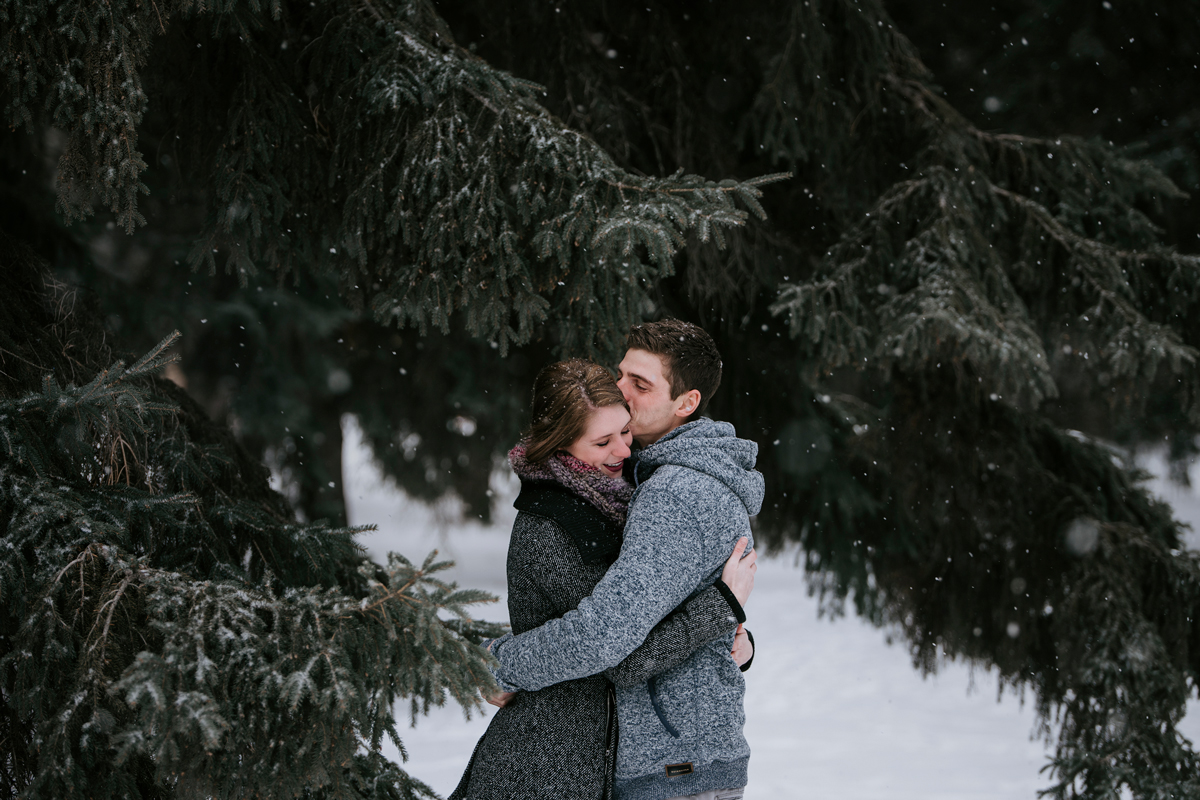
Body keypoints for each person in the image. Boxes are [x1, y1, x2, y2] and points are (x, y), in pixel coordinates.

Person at [449, 358, 756, 800]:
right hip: (550, 764)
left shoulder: (620, 501)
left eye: (625, 432)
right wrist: (720, 607)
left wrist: (735, 635)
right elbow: (618, 653)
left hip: (599, 753)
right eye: (603, 441)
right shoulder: (552, 528)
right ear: (561, 446)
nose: (624, 451)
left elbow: (649, 611)